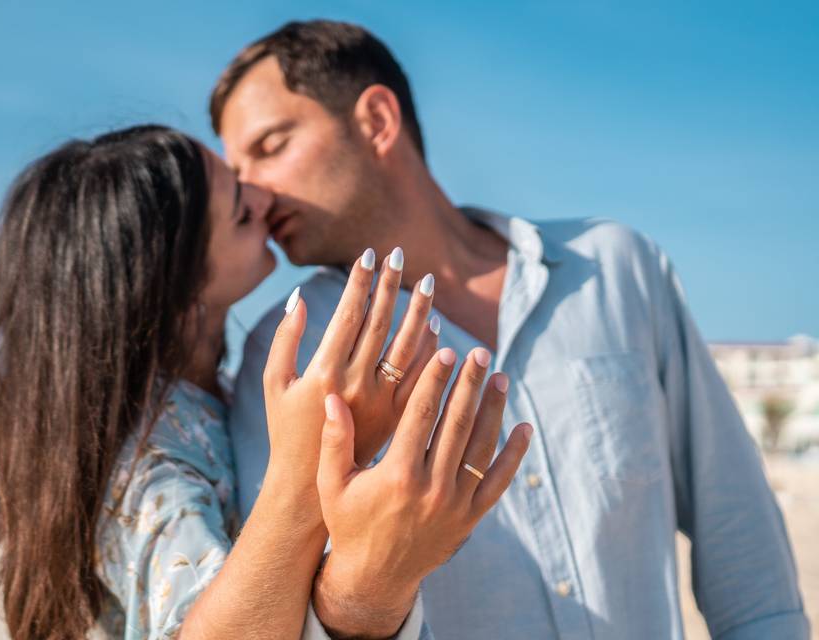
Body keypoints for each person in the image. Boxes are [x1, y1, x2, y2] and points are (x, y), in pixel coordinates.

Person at [211, 20, 811, 639]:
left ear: (376, 121)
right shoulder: (287, 353)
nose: (251, 193)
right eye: (235, 171)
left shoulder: (615, 268)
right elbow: (289, 605)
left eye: (270, 145)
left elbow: (738, 535)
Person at [0, 124, 531, 639]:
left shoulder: (201, 401)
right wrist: (311, 465)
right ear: (169, 273)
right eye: (240, 206)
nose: (264, 199)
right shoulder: (146, 454)